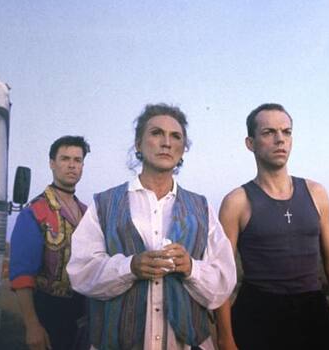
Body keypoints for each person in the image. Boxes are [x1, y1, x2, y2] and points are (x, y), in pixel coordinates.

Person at [67, 103, 236, 350]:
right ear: (138, 144)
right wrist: (129, 267)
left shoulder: (202, 207)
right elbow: (81, 272)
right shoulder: (104, 204)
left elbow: (223, 282)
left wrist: (191, 268)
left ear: (183, 149)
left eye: (175, 136)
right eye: (156, 133)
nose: (166, 143)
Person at [215, 103, 329, 350]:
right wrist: (225, 338)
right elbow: (222, 275)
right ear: (250, 143)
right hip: (258, 315)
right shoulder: (236, 202)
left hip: (313, 312)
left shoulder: (316, 193)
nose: (280, 139)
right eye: (268, 132)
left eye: (286, 132)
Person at [9, 135, 91, 350]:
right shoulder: (35, 211)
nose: (72, 165)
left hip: (83, 312)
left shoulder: (87, 213)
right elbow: (22, 274)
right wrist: (32, 325)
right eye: (65, 159)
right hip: (47, 311)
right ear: (52, 164)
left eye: (77, 160)